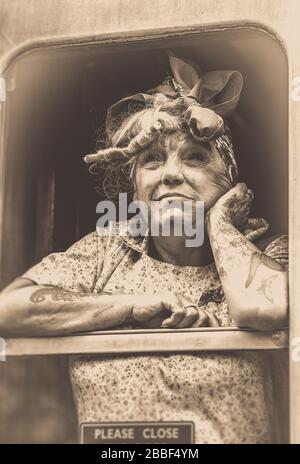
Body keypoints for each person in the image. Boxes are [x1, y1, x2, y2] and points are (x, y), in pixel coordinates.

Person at [0, 54, 288, 443]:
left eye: (195, 158)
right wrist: (130, 306)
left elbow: (266, 307)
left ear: (230, 179)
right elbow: (11, 308)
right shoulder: (108, 249)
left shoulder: (271, 251)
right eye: (153, 160)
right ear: (135, 187)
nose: (170, 174)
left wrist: (220, 224)